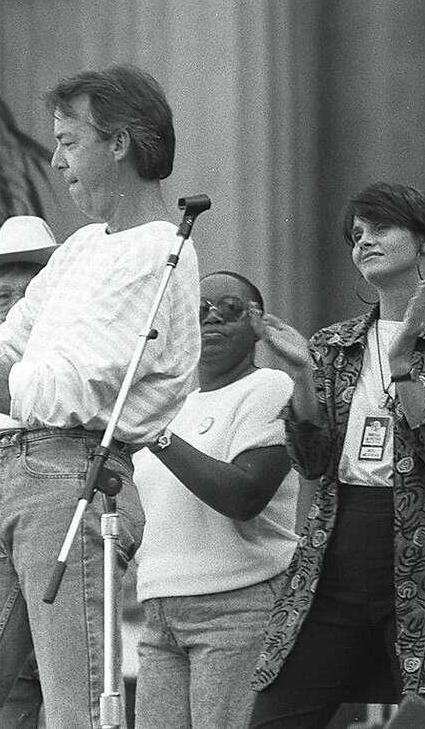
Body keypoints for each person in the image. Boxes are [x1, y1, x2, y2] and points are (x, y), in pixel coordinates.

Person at [0, 65, 200, 727]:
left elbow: (67, 390)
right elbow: (10, 345)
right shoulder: (80, 245)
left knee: (75, 710)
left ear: (120, 142)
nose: (54, 160)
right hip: (10, 468)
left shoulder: (160, 249)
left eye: (68, 141)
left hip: (64, 478)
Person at [249, 183, 425, 726]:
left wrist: (402, 370)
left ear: (423, 239)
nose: (364, 243)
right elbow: (311, 462)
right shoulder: (335, 344)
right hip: (335, 548)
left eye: (379, 229)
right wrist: (301, 375)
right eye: (357, 235)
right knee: (276, 716)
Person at [132, 270, 298, 728]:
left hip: (236, 606)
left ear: (257, 324)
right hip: (160, 608)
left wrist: (157, 436)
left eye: (229, 308)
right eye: (198, 309)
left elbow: (244, 495)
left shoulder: (268, 387)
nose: (211, 318)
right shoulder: (168, 406)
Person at [0, 216, 58, 729]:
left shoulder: (68, 367)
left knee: (63, 698)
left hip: (52, 550)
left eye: (27, 293)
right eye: (1, 295)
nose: (13, 305)